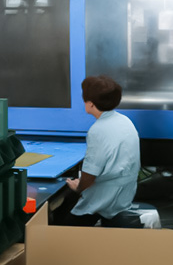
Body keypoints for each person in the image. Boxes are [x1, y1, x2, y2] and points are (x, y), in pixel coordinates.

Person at [57, 75, 141, 226]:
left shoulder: (97, 131)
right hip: (124, 195)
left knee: (61, 217)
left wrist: (79, 187)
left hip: (103, 199)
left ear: (90, 104)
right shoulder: (125, 121)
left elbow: (90, 174)